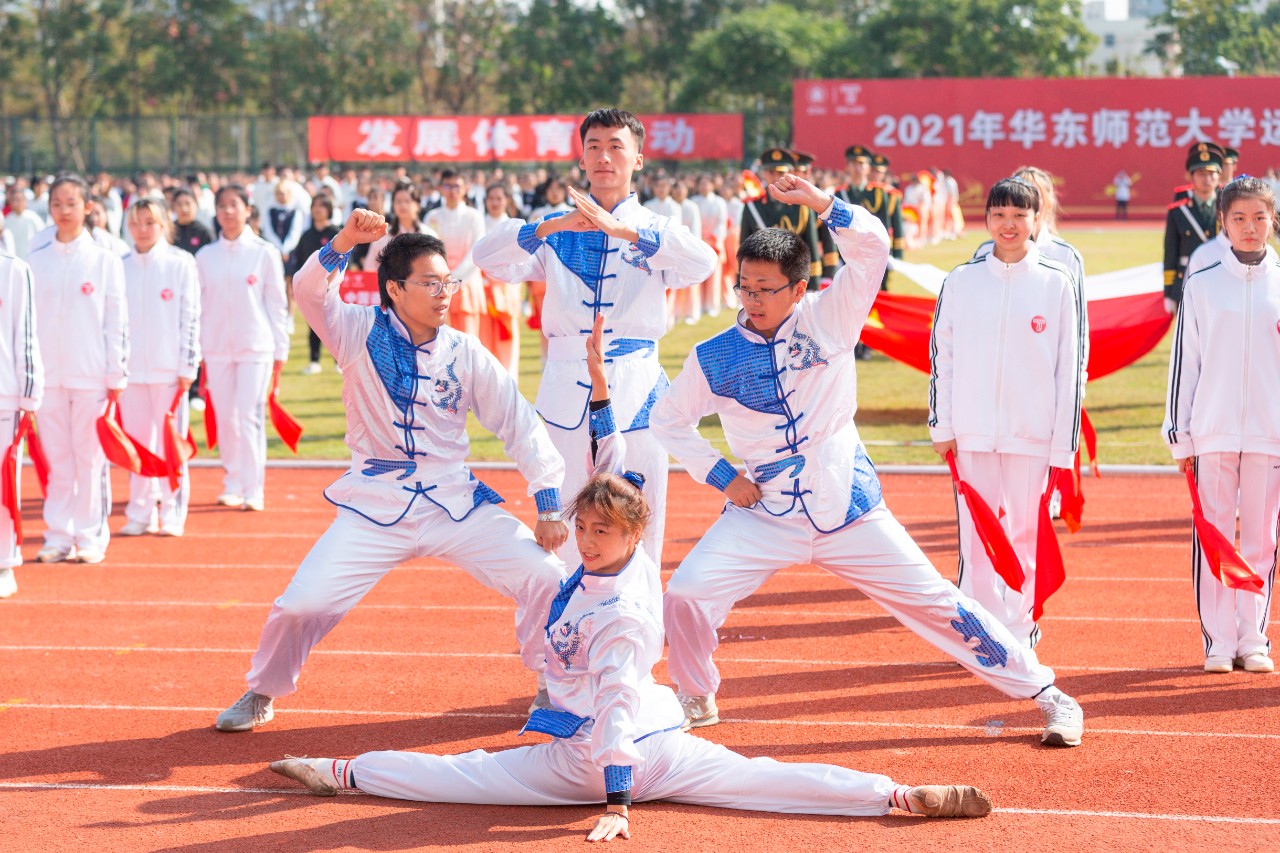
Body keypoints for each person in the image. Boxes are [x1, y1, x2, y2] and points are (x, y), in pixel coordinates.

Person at [265, 311, 995, 830]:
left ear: (631, 534)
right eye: (582, 529)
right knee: (764, 778)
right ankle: (894, 795)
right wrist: (600, 387)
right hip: (663, 739)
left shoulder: (613, 609)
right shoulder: (634, 551)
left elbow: (613, 702)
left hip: (593, 761)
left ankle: (341, 771)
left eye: (597, 532)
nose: (584, 540)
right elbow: (610, 464)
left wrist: (615, 802)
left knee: (463, 774)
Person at [650, 173, 1084, 747]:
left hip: (848, 506)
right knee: (685, 593)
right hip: (764, 513)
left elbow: (874, 246)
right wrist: (722, 475)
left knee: (938, 603)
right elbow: (667, 419)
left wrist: (824, 204)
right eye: (745, 287)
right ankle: (695, 692)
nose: (752, 300)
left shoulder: (831, 316)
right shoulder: (714, 355)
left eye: (766, 289)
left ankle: (1048, 694)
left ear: (798, 290)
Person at [215, 210, 568, 732]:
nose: (444, 293)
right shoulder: (355, 331)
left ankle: (552, 683)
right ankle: (262, 689)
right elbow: (308, 291)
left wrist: (548, 502)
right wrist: (344, 241)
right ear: (395, 289)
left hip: (452, 499)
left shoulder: (464, 351)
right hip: (374, 502)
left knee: (547, 576)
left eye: (447, 282)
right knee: (301, 605)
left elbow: (519, 423)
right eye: (430, 283)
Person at [474, 109, 718, 568]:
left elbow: (703, 263)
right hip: (565, 384)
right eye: (594, 147)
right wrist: (552, 226)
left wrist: (627, 233)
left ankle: (638, 607)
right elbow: (486, 257)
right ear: (582, 159)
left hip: (636, 383)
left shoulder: (657, 227)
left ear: (638, 159)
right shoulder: (554, 227)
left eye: (616, 147)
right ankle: (568, 608)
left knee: (640, 511)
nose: (604, 156)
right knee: (567, 511)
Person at [930, 178, 1083, 649]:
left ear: (1037, 219)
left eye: (1019, 215)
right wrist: (942, 424)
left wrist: (1064, 444)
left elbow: (1069, 368)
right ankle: (983, 630)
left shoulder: (1056, 282)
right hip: (971, 433)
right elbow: (942, 357)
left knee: (1026, 534)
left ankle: (1020, 629)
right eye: (999, 215)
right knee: (977, 539)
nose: (1009, 224)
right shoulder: (961, 281)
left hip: (1033, 435)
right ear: (987, 219)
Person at [1163, 176, 1280, 675]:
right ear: (1223, 224)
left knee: (1261, 538)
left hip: (1270, 435)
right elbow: (1184, 363)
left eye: (1259, 217)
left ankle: (1253, 638)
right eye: (1239, 218)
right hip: (1211, 432)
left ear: (1273, 220)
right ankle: (1217, 640)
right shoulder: (1203, 283)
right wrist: (1180, 433)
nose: (1250, 227)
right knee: (1212, 536)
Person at [26, 174, 128, 564]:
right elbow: (26, 323)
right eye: (56, 204)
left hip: (92, 376)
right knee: (57, 458)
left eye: (71, 204)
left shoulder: (104, 259)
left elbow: (117, 321)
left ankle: (90, 536)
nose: (63, 211)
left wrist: (116, 372)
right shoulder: (35, 260)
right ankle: (57, 534)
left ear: (88, 207)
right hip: (49, 377)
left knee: (90, 458)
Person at [196, 185, 289, 512]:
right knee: (226, 417)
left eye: (234, 205)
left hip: (256, 346)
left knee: (250, 415)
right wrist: (199, 348)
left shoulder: (264, 253)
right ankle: (233, 481)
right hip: (217, 347)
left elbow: (277, 303)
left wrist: (281, 349)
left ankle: (253, 488)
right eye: (221, 206)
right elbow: (199, 306)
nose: (227, 212)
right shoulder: (205, 256)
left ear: (247, 210)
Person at [118, 197, 201, 537]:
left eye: (149, 222)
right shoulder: (119, 265)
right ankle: (140, 512)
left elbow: (191, 318)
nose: (142, 230)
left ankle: (172, 511)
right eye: (136, 223)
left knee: (171, 443)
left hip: (170, 373)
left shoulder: (180, 263)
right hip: (131, 373)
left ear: (164, 225)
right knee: (138, 445)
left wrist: (188, 365)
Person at [0, 245, 43, 597]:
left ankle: (4, 561)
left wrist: (29, 393)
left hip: (4, 396)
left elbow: (25, 335)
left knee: (3, 485)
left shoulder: (14, 270)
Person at [739, 148, 831, 290]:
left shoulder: (802, 206)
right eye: (771, 172)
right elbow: (744, 249)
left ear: (791, 173)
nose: (776, 177)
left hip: (794, 279)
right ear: (763, 173)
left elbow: (811, 247)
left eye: (781, 172)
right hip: (761, 280)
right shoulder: (752, 207)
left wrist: (813, 285)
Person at [425, 170, 486, 338]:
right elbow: (427, 250)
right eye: (448, 186)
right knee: (437, 339)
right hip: (437, 285)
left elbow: (476, 251)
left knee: (467, 338)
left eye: (457, 186)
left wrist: (453, 278)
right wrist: (442, 279)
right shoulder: (432, 217)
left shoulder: (474, 216)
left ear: (466, 188)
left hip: (467, 283)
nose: (452, 191)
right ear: (440, 188)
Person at [1164, 142, 1223, 311]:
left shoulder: (1229, 210)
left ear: (1219, 176)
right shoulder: (1178, 211)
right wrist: (1169, 292)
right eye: (1201, 174)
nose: (1207, 179)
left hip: (1220, 281)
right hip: (1186, 282)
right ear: (1191, 177)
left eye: (1211, 173)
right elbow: (1171, 253)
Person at [836, 145, 903, 291]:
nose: (857, 168)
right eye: (853, 163)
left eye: (861, 164)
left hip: (874, 254)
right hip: (849, 255)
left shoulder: (878, 193)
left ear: (868, 168)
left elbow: (885, 226)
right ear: (847, 167)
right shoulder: (840, 194)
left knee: (879, 294)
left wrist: (891, 253)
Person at [291, 195, 341, 375]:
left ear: (329, 209)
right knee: (313, 325)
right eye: (315, 206)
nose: (318, 209)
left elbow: (344, 259)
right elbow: (299, 261)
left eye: (322, 206)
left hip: (332, 287)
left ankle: (339, 360)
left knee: (336, 324)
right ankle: (314, 361)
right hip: (311, 289)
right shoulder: (307, 235)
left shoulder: (336, 233)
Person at [480, 182, 521, 376]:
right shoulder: (479, 224)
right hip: (482, 290)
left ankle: (509, 383)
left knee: (507, 339)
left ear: (507, 200)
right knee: (484, 340)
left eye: (499, 198)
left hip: (506, 290)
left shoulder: (515, 226)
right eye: (491, 198)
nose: (495, 203)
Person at [364, 183, 436, 275]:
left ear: (417, 205)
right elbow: (369, 267)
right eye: (398, 201)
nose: (402, 205)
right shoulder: (383, 235)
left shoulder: (429, 235)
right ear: (393, 205)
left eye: (407, 201)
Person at [4, 184, 47, 258]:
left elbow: (43, 236)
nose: (16, 203)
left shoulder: (33, 217)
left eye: (19, 200)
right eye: (13, 200)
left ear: (25, 201)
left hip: (31, 258)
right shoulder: (6, 221)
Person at [171, 188, 214, 257]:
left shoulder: (203, 232)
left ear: (196, 204)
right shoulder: (170, 231)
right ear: (173, 207)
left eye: (188, 203)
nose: (184, 209)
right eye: (179, 204)